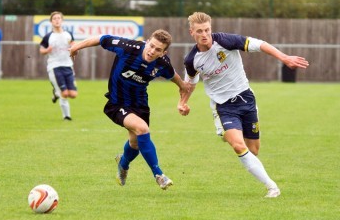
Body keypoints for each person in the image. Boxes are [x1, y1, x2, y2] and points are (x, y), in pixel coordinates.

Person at [178, 12, 309, 198]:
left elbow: (260, 44)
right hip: (223, 106)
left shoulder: (226, 41)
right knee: (238, 145)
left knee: (253, 150)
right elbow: (189, 83)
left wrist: (284, 58)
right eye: (199, 31)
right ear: (192, 33)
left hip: (246, 99)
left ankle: (228, 133)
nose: (204, 34)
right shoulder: (191, 60)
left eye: (207, 29)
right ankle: (272, 187)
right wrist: (182, 102)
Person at [69, 29, 189, 190]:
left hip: (140, 105)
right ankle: (159, 175)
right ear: (147, 42)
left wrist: (182, 94)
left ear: (163, 52)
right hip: (117, 103)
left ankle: (123, 163)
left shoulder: (162, 63)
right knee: (142, 129)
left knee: (135, 143)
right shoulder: (127, 47)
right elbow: (101, 38)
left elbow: (176, 79)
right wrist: (76, 47)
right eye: (151, 46)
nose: (152, 51)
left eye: (158, 50)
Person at [40, 11, 78, 121]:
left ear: (62, 20)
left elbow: (74, 46)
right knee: (64, 94)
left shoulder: (68, 34)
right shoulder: (48, 36)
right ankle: (66, 116)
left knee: (73, 94)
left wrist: (74, 47)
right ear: (51, 22)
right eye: (54, 18)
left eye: (59, 18)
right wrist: (47, 50)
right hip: (54, 66)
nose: (57, 20)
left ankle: (56, 93)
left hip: (68, 66)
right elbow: (41, 50)